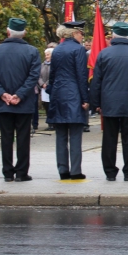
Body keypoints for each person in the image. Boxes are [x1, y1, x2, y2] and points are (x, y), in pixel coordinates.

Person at [90, 22, 128, 181]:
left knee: (109, 138)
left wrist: (96, 103)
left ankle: (110, 172)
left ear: (114, 35)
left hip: (109, 103)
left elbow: (96, 81)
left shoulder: (104, 54)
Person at [0, 18, 41, 181]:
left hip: (4, 103)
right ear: (24, 33)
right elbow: (33, 77)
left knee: (6, 138)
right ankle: (22, 173)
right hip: (24, 103)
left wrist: (2, 93)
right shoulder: (32, 51)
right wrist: (20, 94)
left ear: (8, 32)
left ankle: (8, 172)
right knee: (23, 138)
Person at [46, 21, 89, 180]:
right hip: (74, 94)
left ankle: (63, 170)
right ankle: (76, 170)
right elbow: (81, 76)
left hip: (58, 94)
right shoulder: (78, 50)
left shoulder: (56, 50)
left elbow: (53, 75)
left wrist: (52, 94)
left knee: (61, 135)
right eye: (81, 33)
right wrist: (85, 98)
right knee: (76, 134)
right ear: (73, 33)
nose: (82, 36)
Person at [38, 48, 54, 131]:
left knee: (52, 105)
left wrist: (47, 83)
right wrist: (42, 84)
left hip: (51, 87)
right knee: (46, 105)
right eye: (45, 55)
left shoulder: (54, 65)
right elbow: (39, 76)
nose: (46, 56)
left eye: (48, 54)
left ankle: (53, 123)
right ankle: (49, 123)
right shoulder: (42, 65)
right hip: (43, 88)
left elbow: (52, 75)